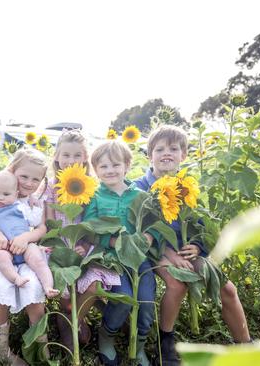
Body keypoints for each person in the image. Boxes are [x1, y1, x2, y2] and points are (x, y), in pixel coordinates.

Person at [134, 125, 251, 366]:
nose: (167, 153)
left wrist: (197, 246)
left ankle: (246, 346)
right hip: (155, 251)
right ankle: (165, 343)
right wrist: (167, 254)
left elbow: (202, 225)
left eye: (173, 149)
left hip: (185, 250)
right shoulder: (140, 188)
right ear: (149, 155)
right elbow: (141, 231)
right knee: (177, 285)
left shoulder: (187, 187)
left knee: (227, 289)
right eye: (160, 149)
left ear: (183, 155)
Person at [83, 140, 158, 366]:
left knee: (146, 301)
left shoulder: (140, 195)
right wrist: (111, 240)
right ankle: (107, 336)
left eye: (115, 165)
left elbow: (152, 224)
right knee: (123, 298)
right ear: (96, 170)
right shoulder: (96, 197)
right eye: (103, 167)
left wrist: (150, 236)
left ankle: (140, 345)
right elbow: (89, 229)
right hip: (113, 260)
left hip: (139, 259)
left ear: (127, 166)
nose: (110, 170)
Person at [44, 130, 120, 351]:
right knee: (65, 285)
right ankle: (65, 317)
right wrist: (58, 244)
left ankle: (73, 319)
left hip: (85, 245)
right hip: (59, 244)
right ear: (57, 156)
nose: (71, 160)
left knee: (94, 284)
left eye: (77, 155)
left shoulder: (89, 184)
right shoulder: (51, 185)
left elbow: (93, 220)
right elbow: (50, 220)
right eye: (66, 155)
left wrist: (85, 244)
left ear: (85, 158)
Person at [0, 148, 50, 365]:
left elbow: (41, 228)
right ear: (12, 171)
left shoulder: (34, 201)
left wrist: (27, 238)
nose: (29, 183)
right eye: (24, 176)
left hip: (25, 250)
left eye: (35, 179)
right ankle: (1, 351)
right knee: (2, 287)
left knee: (34, 287)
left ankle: (39, 347)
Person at [0, 170, 58, 298]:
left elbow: (34, 220)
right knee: (1, 257)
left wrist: (37, 207)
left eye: (6, 194)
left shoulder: (20, 206)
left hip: (25, 244)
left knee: (38, 260)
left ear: (16, 195)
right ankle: (16, 278)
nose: (0, 197)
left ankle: (48, 286)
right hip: (4, 246)